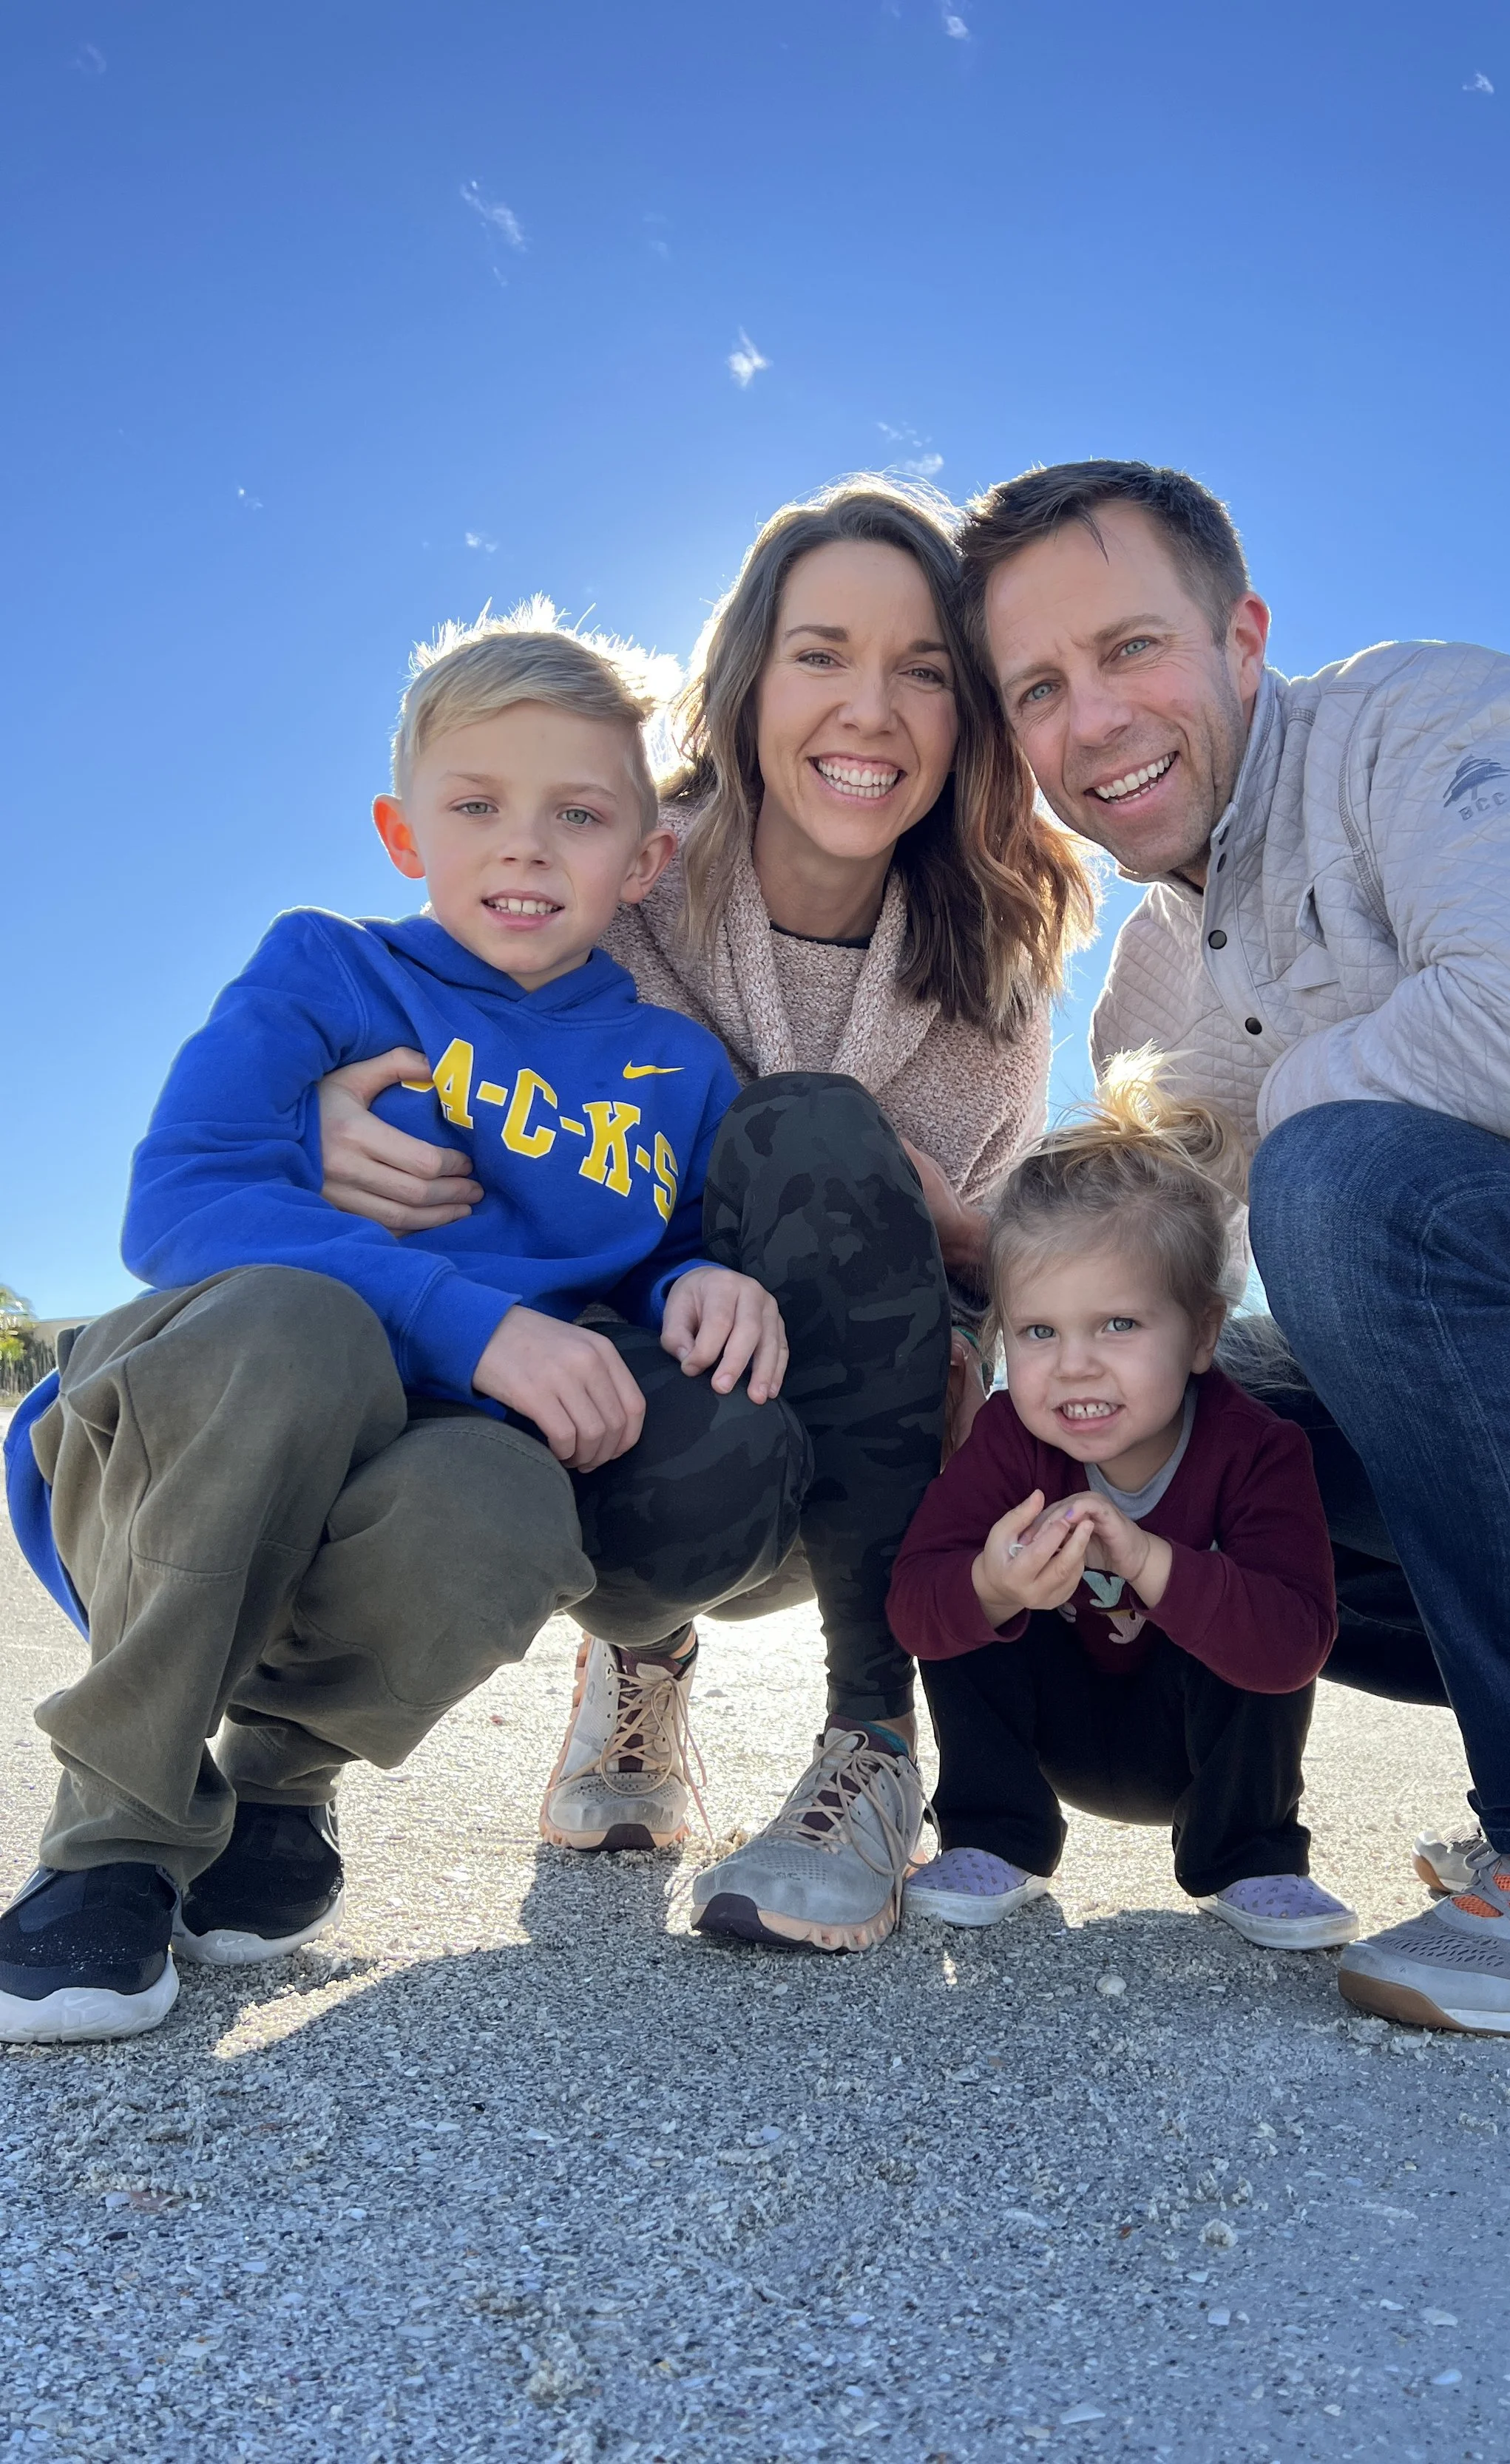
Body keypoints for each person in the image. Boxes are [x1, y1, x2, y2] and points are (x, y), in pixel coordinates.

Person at [952, 457, 1510, 2037]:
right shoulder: (1149, 978)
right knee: (1106, 1397)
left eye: (1129, 648)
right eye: (1037, 686)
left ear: (1240, 637)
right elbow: (1160, 1289)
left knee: (1350, 1170)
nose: (1089, 721)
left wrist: (1275, 1105)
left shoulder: (1425, 724)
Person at [314, 485, 1094, 1955]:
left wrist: (940, 1223)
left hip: (872, 1454)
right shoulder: (623, 869)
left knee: (812, 1124)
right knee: (769, 1142)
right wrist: (336, 1107)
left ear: (966, 712)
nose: (869, 708)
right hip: (639, 1439)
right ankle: (636, 1658)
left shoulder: (984, 980)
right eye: (820, 653)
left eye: (923, 667)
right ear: (744, 681)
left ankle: (869, 1744)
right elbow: (427, 1002)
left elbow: (988, 1303)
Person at [0, 610, 791, 2043]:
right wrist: (471, 1321)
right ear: (400, 828)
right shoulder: (327, 965)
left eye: (580, 813)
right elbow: (178, 1198)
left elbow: (663, 1242)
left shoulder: (674, 1064)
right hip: (173, 1439)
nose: (525, 846)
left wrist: (699, 1280)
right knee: (306, 1326)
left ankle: (280, 1781)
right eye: (476, 804)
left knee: (504, 1494)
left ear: (646, 857)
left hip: (401, 1472)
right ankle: (110, 1843)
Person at [889, 1059, 1354, 1947]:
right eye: (1039, 1332)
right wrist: (992, 1584)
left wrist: (1152, 1564)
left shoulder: (1258, 1451)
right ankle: (994, 1834)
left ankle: (1252, 1854)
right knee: (965, 1583)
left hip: (1190, 1737)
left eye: (1118, 1325)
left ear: (1202, 1334)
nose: (1074, 1365)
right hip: (1056, 1729)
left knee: (1252, 1607)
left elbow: (1299, 1643)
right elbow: (913, 1608)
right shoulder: (1008, 1441)